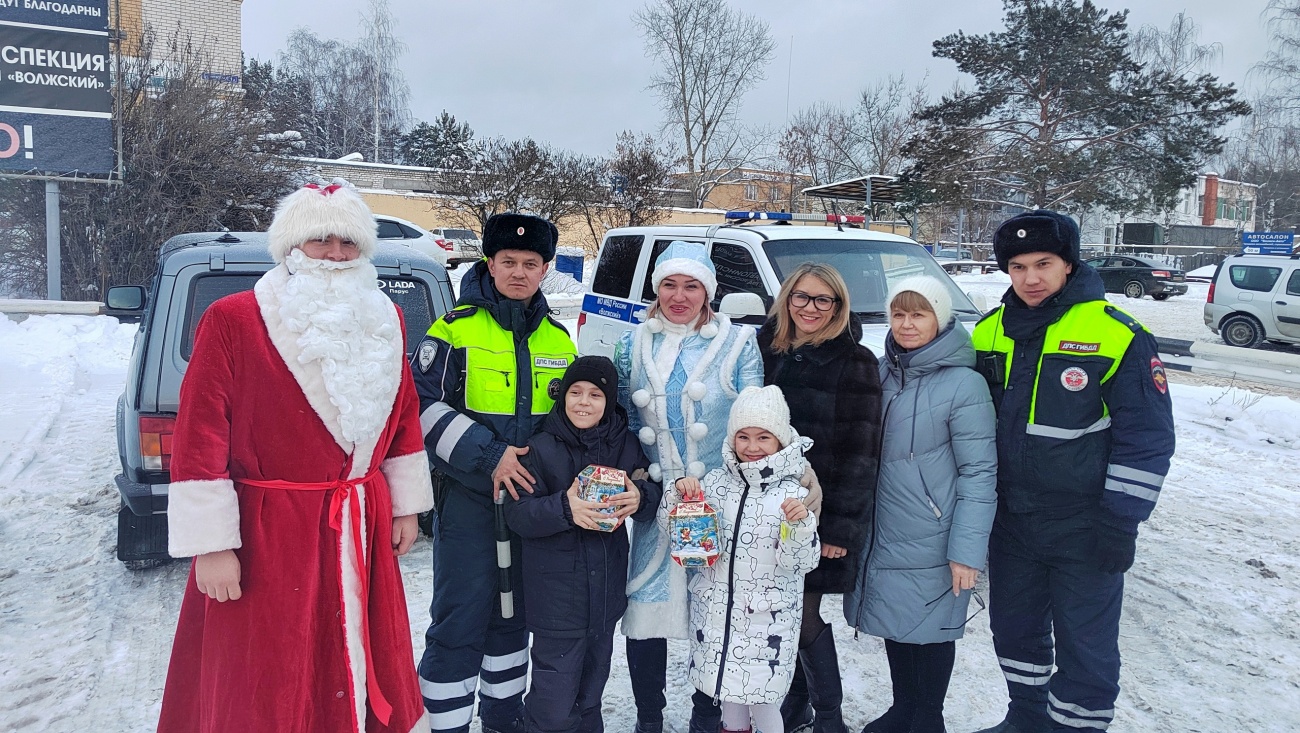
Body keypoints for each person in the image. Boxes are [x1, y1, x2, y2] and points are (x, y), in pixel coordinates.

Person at [157, 182, 434, 733]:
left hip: (359, 518)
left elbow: (403, 414)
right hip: (267, 532)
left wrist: (404, 506)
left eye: (348, 243)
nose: (334, 254)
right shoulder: (233, 319)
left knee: (362, 649)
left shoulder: (385, 319)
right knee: (265, 672)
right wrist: (211, 545)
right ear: (291, 245)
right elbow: (200, 435)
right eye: (319, 240)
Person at [968, 211, 1175, 733]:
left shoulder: (1117, 334)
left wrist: (1120, 521)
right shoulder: (988, 332)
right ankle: (1026, 719)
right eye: (1017, 266)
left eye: (1044, 263)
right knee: (1015, 634)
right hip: (1011, 522)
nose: (1031, 278)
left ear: (1068, 264)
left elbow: (1147, 438)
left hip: (1085, 523)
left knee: (1086, 647)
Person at [414, 212, 577, 733]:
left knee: (513, 621)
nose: (519, 272)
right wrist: (491, 457)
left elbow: (570, 423)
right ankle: (446, 725)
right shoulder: (454, 329)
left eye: (531, 263)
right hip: (468, 501)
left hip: (529, 508)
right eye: (508, 261)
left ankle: (502, 722)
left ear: (546, 268)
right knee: (460, 619)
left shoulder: (559, 340)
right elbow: (421, 408)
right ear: (490, 262)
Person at [613, 240, 766, 733]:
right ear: (657, 289)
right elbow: (617, 424)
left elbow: (754, 422)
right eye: (670, 285)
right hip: (655, 503)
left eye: (691, 285)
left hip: (716, 502)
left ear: (708, 292)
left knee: (712, 609)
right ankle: (648, 718)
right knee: (645, 609)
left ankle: (708, 714)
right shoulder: (631, 344)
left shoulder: (739, 344)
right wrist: (636, 481)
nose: (680, 296)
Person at [845, 276, 997, 733]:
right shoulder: (880, 373)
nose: (907, 324)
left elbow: (980, 472)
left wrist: (967, 551)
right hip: (884, 528)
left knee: (929, 631)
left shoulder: (964, 385)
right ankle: (903, 710)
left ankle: (927, 717)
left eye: (919, 314)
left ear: (941, 318)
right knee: (897, 621)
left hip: (936, 534)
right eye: (899, 314)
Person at [504, 356, 663, 733]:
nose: (583, 402)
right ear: (562, 397)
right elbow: (519, 513)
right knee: (553, 704)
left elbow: (650, 489)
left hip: (604, 601)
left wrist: (641, 497)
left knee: (590, 697)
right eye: (575, 392)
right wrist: (564, 507)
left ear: (608, 401)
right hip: (557, 605)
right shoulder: (540, 448)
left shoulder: (625, 445)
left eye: (595, 394)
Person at [757, 263, 882, 733]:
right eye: (802, 297)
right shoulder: (767, 350)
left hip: (817, 516)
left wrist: (838, 529)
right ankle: (793, 710)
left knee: (804, 614)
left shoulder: (856, 362)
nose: (811, 308)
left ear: (838, 306)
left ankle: (829, 718)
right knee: (778, 615)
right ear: (787, 299)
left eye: (822, 300)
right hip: (762, 510)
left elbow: (860, 454)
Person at [673, 385, 821, 733]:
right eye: (743, 437)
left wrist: (799, 527)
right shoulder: (716, 483)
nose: (752, 447)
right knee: (730, 698)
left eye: (763, 437)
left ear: (780, 440)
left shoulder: (793, 492)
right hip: (718, 617)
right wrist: (679, 495)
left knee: (764, 699)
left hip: (766, 620)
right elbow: (684, 536)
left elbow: (802, 562)